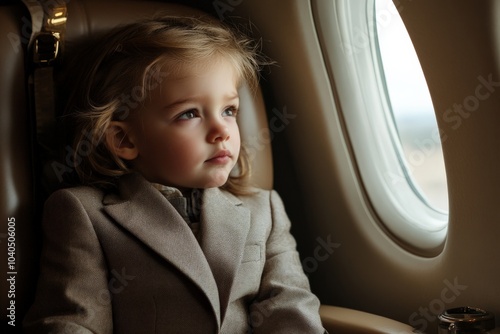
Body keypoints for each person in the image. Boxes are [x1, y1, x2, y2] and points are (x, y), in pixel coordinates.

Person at [23, 15, 326, 333]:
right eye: (190, 114)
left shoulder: (265, 211)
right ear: (125, 140)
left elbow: (290, 309)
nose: (221, 130)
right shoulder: (84, 214)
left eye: (229, 111)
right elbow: (72, 322)